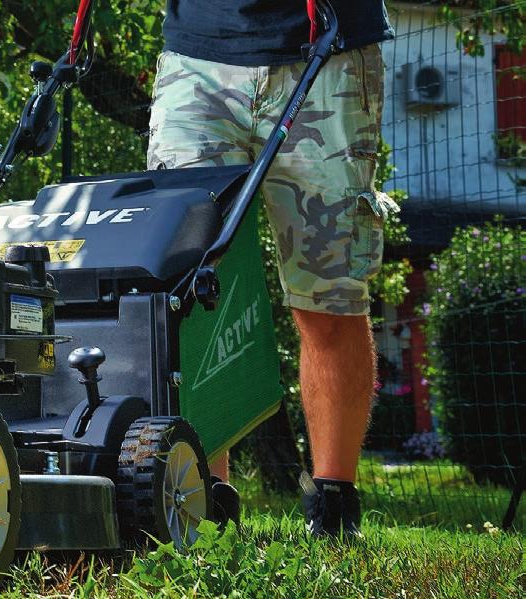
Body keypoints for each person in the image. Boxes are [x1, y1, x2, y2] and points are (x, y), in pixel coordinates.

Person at [148, 0, 395, 536]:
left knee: (328, 300)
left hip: (328, 48)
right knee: (181, 298)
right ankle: (203, 506)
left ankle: (333, 514)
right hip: (199, 59)